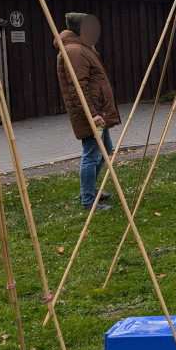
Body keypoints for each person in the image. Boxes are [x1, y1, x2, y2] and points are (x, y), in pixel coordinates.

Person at [56, 13, 120, 210]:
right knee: (92, 152)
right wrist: (92, 114)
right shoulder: (74, 51)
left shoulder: (84, 48)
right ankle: (88, 199)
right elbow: (78, 86)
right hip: (91, 112)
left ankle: (89, 190)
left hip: (98, 109)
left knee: (105, 148)